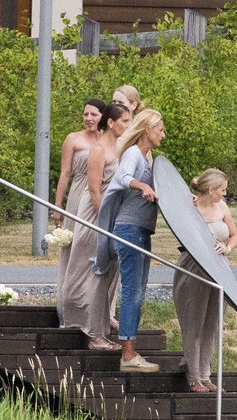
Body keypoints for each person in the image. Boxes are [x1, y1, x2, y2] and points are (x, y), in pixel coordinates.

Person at [59, 102, 132, 350]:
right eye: (124, 121)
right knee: (90, 270)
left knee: (106, 274)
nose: (127, 126)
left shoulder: (118, 147)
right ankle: (89, 332)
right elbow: (93, 190)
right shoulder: (99, 150)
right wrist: (107, 221)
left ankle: (99, 329)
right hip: (95, 216)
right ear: (111, 122)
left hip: (113, 215)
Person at [99, 108, 166, 372]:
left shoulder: (148, 158)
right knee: (131, 293)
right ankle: (127, 357)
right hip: (129, 231)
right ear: (147, 130)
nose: (163, 134)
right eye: (160, 129)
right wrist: (142, 186)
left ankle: (131, 352)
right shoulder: (133, 154)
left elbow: (160, 192)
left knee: (137, 294)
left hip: (141, 231)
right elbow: (123, 177)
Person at [173, 169, 237, 392]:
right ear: (211, 190)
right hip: (193, 267)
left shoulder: (222, 207)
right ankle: (193, 375)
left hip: (219, 269)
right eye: (222, 190)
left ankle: (205, 373)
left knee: (212, 322)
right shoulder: (190, 208)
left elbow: (234, 234)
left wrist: (228, 247)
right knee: (194, 320)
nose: (225, 194)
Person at [52, 98, 106, 326]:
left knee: (95, 247)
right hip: (78, 193)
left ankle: (94, 308)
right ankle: (68, 308)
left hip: (100, 193)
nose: (89, 119)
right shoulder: (73, 139)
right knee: (73, 248)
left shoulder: (107, 141)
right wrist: (58, 207)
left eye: (94, 114)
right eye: (86, 114)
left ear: (103, 117)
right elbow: (65, 173)